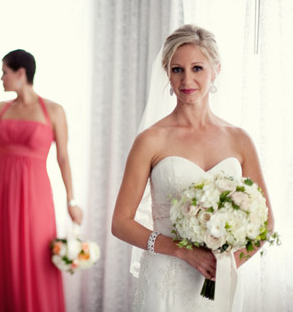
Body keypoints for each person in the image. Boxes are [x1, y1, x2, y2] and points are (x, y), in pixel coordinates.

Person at [111, 24, 274, 311]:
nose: (187, 79)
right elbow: (120, 223)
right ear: (167, 74)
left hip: (219, 285)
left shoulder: (239, 139)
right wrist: (180, 251)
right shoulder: (150, 140)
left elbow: (267, 223)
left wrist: (228, 265)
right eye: (177, 69)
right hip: (166, 281)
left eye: (197, 68)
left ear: (216, 70)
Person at [0, 49, 83, 311]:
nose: (1, 78)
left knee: (34, 256)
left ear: (21, 73)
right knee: (1, 257)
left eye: (4, 72)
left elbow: (63, 158)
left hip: (35, 195)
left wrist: (71, 200)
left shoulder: (54, 110)